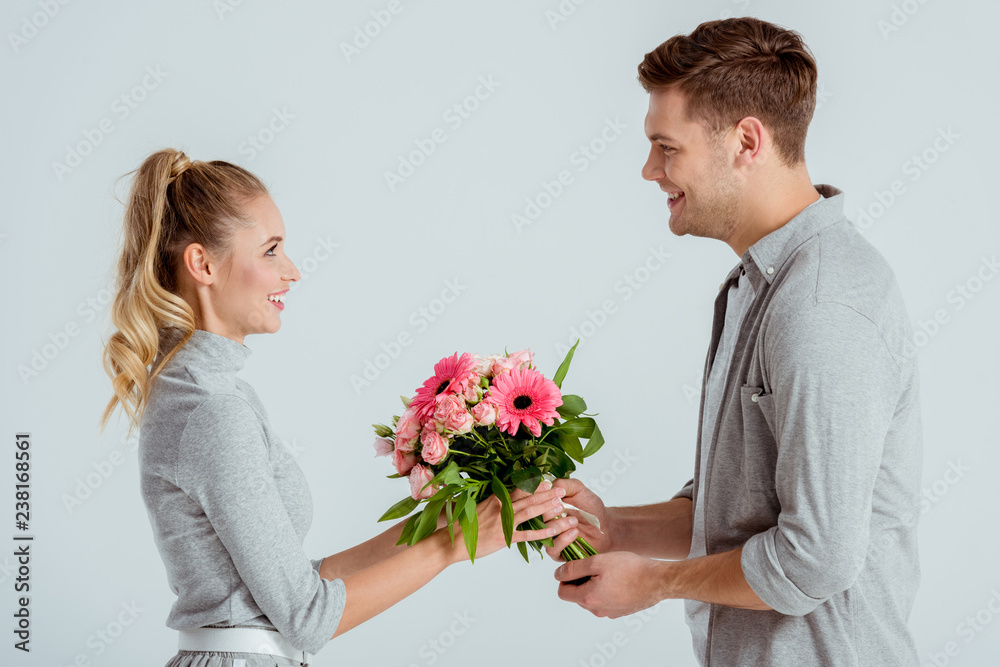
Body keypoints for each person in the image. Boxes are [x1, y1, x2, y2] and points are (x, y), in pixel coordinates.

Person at [97, 148, 577, 667]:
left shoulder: (210, 393)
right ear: (203, 264)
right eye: (271, 251)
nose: (293, 271)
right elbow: (308, 618)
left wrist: (443, 521)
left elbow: (298, 588)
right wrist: (456, 546)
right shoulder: (212, 411)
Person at [545, 16, 923, 666]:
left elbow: (814, 558)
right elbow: (743, 512)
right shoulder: (760, 284)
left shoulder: (822, 305)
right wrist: (616, 527)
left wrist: (655, 582)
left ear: (747, 141)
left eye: (667, 147)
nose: (648, 170)